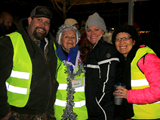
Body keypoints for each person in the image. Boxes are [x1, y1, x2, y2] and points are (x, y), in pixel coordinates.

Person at [0, 6, 58, 120]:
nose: (42, 25)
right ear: (30, 20)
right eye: (39, 20)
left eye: (47, 22)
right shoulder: (9, 42)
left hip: (46, 114)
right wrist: (2, 110)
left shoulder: (53, 46)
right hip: (17, 114)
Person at [112, 24, 160, 119]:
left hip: (151, 116)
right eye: (118, 39)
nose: (121, 42)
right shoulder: (122, 61)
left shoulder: (146, 58)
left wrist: (129, 95)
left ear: (134, 41)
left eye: (126, 38)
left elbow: (158, 90)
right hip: (133, 116)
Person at [80, 12, 119, 120]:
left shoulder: (107, 49)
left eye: (96, 29)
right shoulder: (91, 50)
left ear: (103, 31)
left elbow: (107, 80)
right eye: (89, 30)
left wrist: (98, 103)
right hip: (91, 106)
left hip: (101, 109)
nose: (92, 33)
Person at [54, 24, 88, 119]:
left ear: (76, 41)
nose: (70, 39)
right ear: (60, 40)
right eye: (66, 36)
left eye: (73, 37)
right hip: (59, 114)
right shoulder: (53, 59)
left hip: (81, 114)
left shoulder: (84, 58)